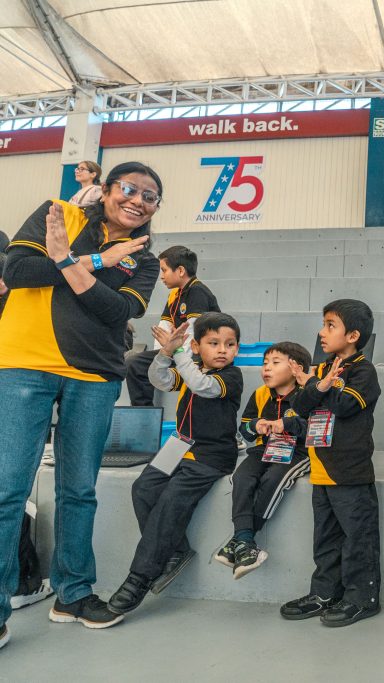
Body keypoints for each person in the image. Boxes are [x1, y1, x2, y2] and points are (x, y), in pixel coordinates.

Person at [0, 162, 160, 644]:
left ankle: (72, 593)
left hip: (94, 375)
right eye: (129, 188)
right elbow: (18, 272)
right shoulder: (59, 214)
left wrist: (66, 262)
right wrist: (95, 262)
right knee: (7, 490)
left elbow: (118, 311)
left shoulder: (144, 260)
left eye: (150, 196)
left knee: (79, 491)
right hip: (25, 364)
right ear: (106, 190)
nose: (137, 200)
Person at [107, 312, 243, 616]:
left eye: (230, 344)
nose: (223, 350)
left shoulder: (231, 376)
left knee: (170, 499)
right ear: (197, 346)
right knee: (143, 488)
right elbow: (160, 379)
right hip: (179, 446)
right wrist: (165, 353)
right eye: (214, 343)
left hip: (211, 455)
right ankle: (177, 550)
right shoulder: (191, 367)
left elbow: (202, 386)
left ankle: (140, 577)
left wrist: (179, 353)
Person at [280, 300, 382, 629]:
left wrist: (316, 386)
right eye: (323, 325)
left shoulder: (364, 372)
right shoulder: (323, 369)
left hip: (349, 470)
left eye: (330, 325)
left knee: (357, 538)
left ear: (353, 335)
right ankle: (325, 593)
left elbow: (345, 405)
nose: (322, 332)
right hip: (321, 467)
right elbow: (300, 405)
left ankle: (361, 598)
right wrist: (316, 384)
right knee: (325, 539)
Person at [215, 342, 311, 579]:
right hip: (264, 449)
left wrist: (286, 424)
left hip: (298, 451)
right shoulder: (260, 394)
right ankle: (245, 543)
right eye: (265, 363)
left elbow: (312, 428)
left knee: (273, 479)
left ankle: (242, 539)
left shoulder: (308, 394)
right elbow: (245, 430)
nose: (266, 368)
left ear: (296, 368)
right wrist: (255, 425)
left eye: (275, 363)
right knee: (242, 477)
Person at [126, 245, 220, 406]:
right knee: (134, 362)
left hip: (196, 356)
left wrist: (175, 356)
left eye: (164, 270)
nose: (161, 276)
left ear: (181, 270)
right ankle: (143, 411)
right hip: (176, 351)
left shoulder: (197, 291)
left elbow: (193, 333)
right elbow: (164, 327)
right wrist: (162, 355)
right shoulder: (174, 295)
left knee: (137, 362)